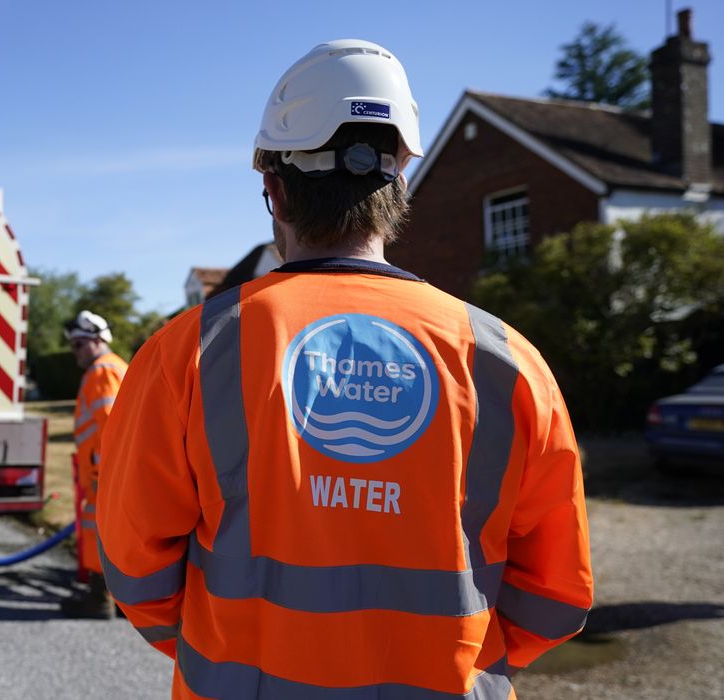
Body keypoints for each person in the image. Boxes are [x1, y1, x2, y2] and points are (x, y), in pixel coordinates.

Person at [96, 39, 592, 697]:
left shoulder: (189, 351)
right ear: (401, 184)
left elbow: (135, 569)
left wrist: (228, 650)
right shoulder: (504, 359)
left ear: (272, 189)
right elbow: (557, 596)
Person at [60, 310, 129, 619]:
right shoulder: (111, 368)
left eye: (79, 345)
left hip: (106, 473)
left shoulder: (103, 372)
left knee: (102, 532)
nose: (75, 353)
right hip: (108, 471)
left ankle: (101, 599)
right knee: (112, 532)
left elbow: (113, 427)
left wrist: (106, 473)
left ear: (99, 340)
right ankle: (119, 600)